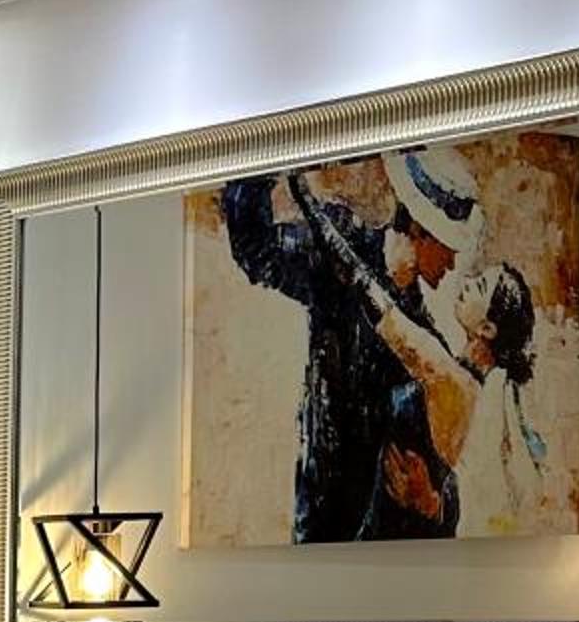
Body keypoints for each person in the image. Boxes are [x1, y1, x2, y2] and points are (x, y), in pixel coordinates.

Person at [218, 146, 478, 544]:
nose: (454, 262)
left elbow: (444, 462)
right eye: (449, 247)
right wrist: (265, 158)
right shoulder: (339, 248)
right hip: (321, 527)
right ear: (421, 231)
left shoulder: (423, 338)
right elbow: (254, 249)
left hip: (383, 545)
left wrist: (433, 504)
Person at [289, 174, 552, 537]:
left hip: (392, 526)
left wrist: (306, 200)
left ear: (487, 329)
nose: (465, 279)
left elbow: (367, 290)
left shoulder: (450, 378)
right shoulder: (457, 376)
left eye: (479, 285)